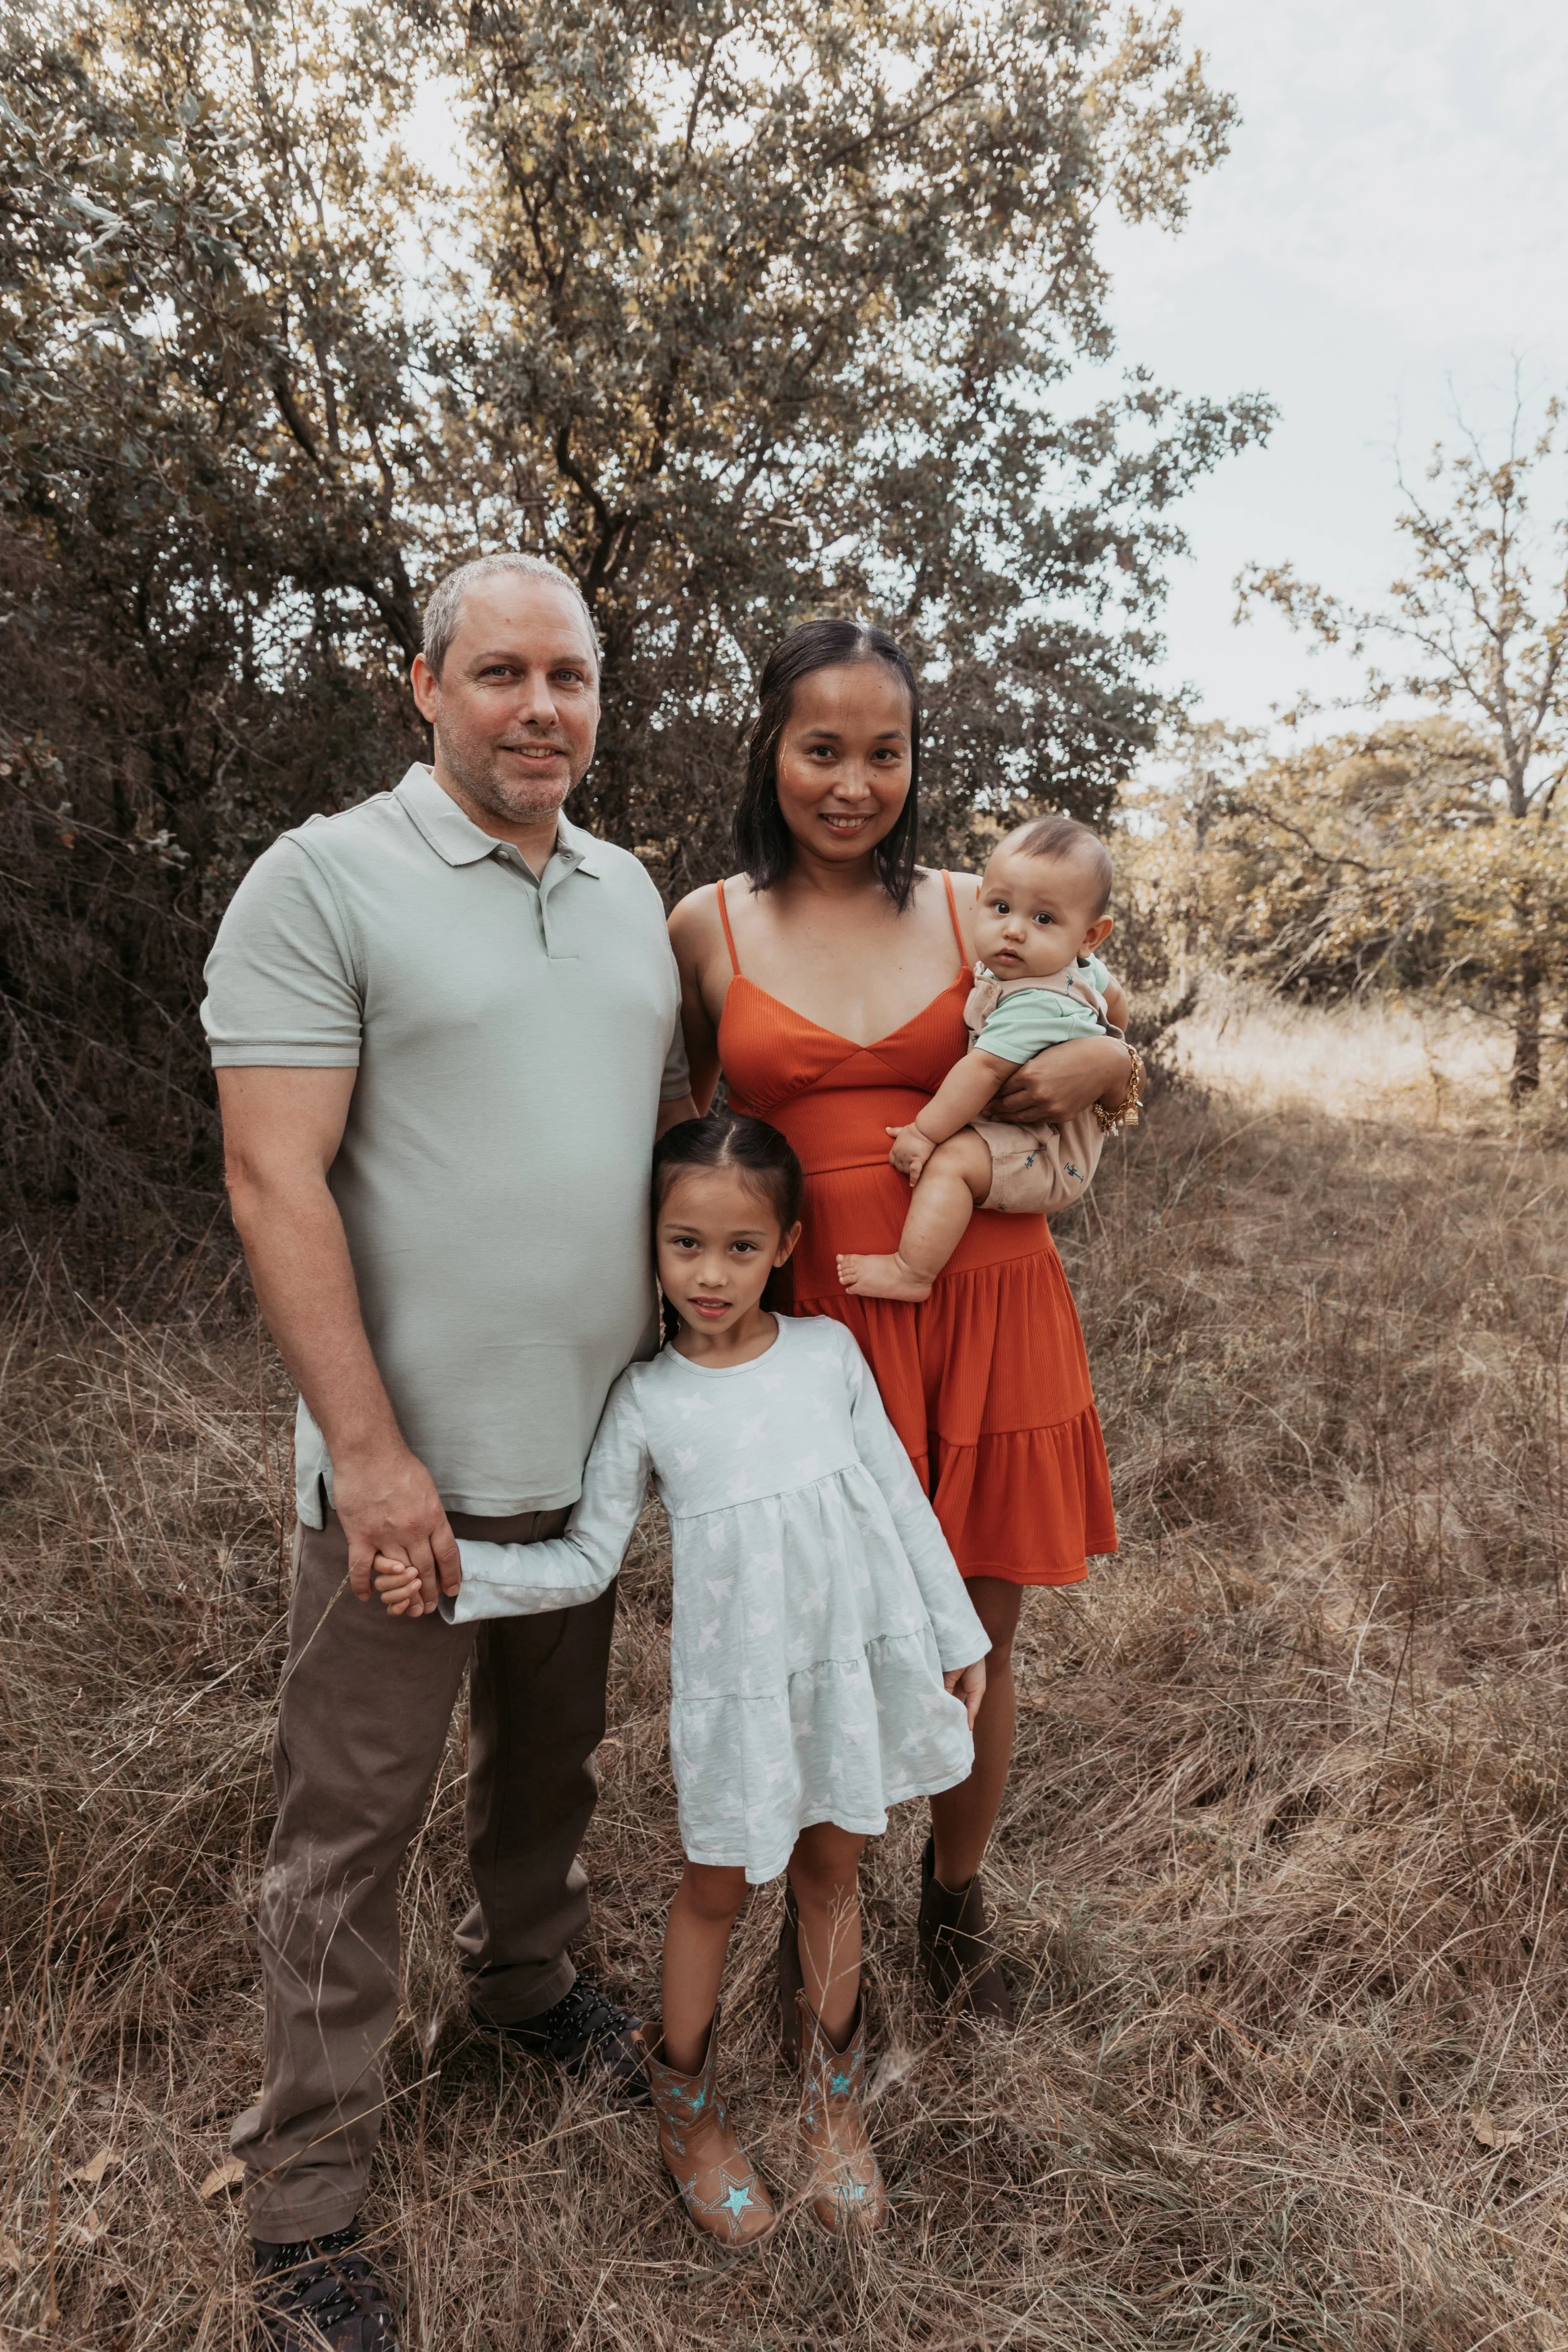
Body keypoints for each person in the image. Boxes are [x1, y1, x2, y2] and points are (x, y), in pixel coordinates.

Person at [202, 552, 697, 2350]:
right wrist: (370, 1447)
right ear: (422, 685)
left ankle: (526, 1989)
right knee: (346, 1834)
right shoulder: (323, 879)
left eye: (568, 674)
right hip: (403, 1476)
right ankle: (308, 2203)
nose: (540, 707)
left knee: (548, 1774)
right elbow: (273, 1175)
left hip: (589, 1459)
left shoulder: (633, 891)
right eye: (499, 672)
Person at [371, 1111, 990, 2246]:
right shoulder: (649, 1399)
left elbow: (900, 1496)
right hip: (736, 1696)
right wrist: (463, 1581)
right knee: (718, 1886)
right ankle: (690, 2114)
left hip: (846, 1669)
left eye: (741, 1247)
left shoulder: (827, 1357)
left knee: (834, 1870)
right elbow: (585, 1560)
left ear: (788, 1244)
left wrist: (962, 1634)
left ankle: (830, 2107)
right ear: (650, 1247)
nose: (712, 1274)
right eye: (685, 1244)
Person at [668, 620, 1140, 2032]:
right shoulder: (705, 922)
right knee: (822, 1639)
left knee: (973, 1633)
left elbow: (1101, 1035)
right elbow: (700, 1135)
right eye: (822, 748)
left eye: (886, 753)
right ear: (770, 748)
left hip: (985, 1308)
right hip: (815, 1324)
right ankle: (824, 1939)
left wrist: (1114, 1059)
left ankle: (955, 1897)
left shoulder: (968, 906)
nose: (852, 782)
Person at [837, 813, 1138, 1301]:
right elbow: (1116, 998)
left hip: (1048, 1154)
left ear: (1090, 936)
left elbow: (983, 1069)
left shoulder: (1037, 1002)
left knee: (951, 1162)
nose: (1014, 931)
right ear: (978, 903)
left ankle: (912, 1272)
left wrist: (923, 1133)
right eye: (1001, 907)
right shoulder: (1075, 968)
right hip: (1034, 1139)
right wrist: (1112, 1033)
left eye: (1044, 919)